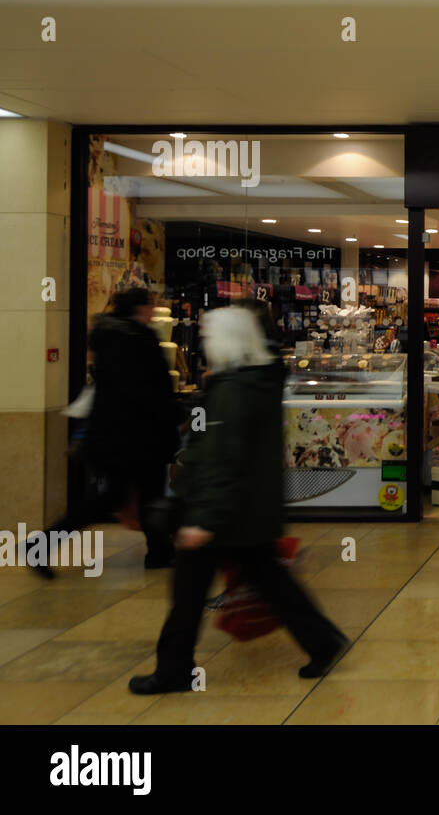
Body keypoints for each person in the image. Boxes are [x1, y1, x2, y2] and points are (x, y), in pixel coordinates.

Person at [129, 306, 347, 694]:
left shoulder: (234, 390)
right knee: (272, 582)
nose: (206, 345)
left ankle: (174, 670)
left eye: (210, 337)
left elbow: (223, 458)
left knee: (189, 594)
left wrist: (201, 519)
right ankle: (323, 641)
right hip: (247, 510)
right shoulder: (254, 381)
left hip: (222, 514)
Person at [27, 288, 179, 577]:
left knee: (126, 496)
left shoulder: (109, 337)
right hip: (135, 435)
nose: (153, 312)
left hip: (114, 434)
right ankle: (159, 552)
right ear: (141, 308)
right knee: (124, 497)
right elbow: (150, 392)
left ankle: (159, 551)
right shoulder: (138, 340)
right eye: (151, 306)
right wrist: (172, 416)